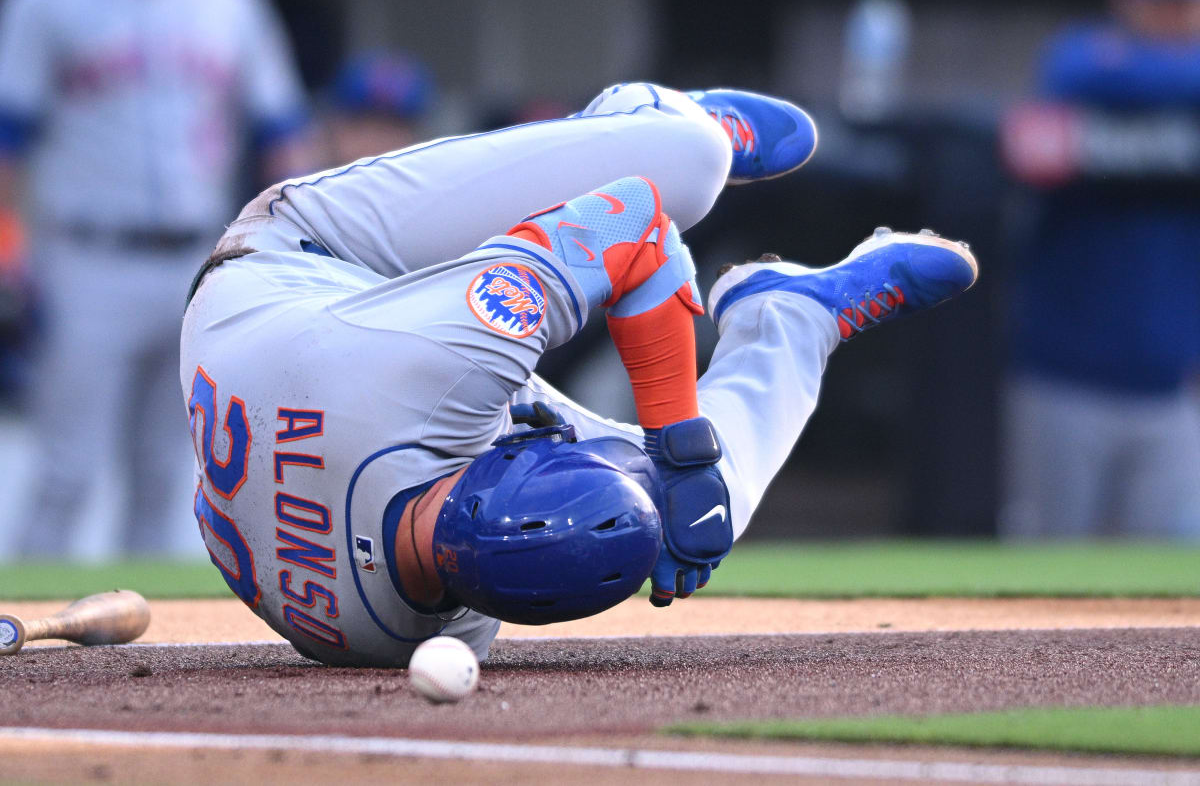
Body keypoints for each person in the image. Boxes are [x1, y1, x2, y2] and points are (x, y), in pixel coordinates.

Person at [182, 83, 976, 666]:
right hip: (317, 398)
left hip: (303, 259)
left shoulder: (446, 374)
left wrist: (676, 442)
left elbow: (635, 222)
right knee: (701, 514)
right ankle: (790, 316)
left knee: (687, 167)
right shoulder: (425, 628)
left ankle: (638, 117)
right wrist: (682, 479)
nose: (556, 438)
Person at [0, 0, 311, 556]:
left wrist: (301, 244)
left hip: (197, 261)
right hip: (86, 258)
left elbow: (281, 131)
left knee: (166, 470)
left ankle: (141, 645)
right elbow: (9, 135)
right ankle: (19, 634)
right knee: (66, 466)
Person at [1000, 0, 1200, 538]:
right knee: (1044, 565)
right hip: (1064, 377)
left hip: (1172, 385)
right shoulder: (1082, 52)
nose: (1171, 14)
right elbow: (1067, 86)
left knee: (1170, 583)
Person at [322, 51, 435, 167]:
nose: (373, 145)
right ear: (333, 127)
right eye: (361, 127)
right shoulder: (306, 179)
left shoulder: (427, 179)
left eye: (389, 130)